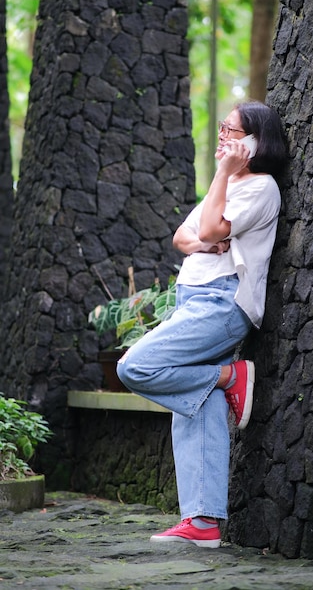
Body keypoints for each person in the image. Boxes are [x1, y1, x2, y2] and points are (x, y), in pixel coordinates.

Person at [117, 100, 289, 548]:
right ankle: (203, 522)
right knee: (196, 406)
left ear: (254, 143)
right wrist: (208, 234)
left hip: (222, 303)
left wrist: (219, 187)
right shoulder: (231, 185)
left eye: (231, 132)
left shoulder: (260, 188)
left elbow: (209, 231)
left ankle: (232, 376)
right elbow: (183, 237)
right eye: (222, 129)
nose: (222, 137)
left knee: (135, 367)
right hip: (194, 301)